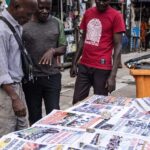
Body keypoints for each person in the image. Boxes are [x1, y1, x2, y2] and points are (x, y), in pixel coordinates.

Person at [70, 0, 125, 104]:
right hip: (84, 66)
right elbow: (83, 39)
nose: (101, 2)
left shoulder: (116, 16)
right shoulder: (88, 13)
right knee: (77, 102)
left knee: (100, 104)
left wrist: (113, 76)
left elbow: (118, 46)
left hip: (102, 69)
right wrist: (74, 62)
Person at [22, 0, 67, 125]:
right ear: (35, 6)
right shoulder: (24, 24)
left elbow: (63, 47)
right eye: (41, 8)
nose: (45, 11)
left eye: (48, 8)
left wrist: (52, 51)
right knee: (34, 117)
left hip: (52, 77)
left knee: (54, 116)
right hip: (31, 79)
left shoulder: (57, 23)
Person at [0, 0, 37, 137]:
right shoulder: (2, 30)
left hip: (17, 87)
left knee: (22, 131)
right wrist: (14, 98)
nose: (29, 19)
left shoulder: (15, 26)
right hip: (7, 92)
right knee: (7, 135)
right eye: (28, 14)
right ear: (16, 7)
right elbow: (1, 69)